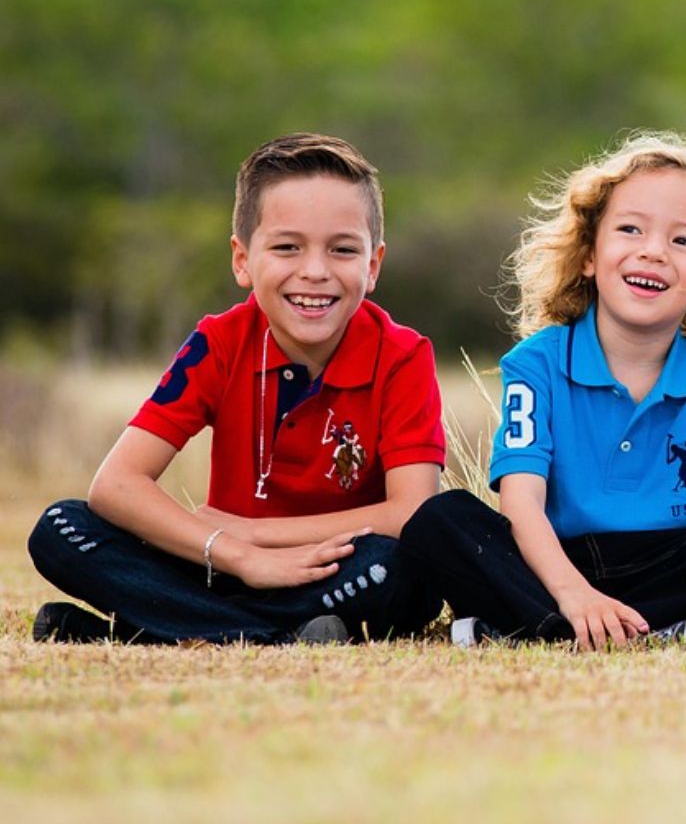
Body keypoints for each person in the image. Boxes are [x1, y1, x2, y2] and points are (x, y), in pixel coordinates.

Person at [400, 132, 686, 649]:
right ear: (589, 254)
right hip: (554, 562)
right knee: (440, 523)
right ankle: (579, 624)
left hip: (670, 565)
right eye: (630, 229)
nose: (653, 252)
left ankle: (546, 626)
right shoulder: (536, 365)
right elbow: (521, 505)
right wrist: (576, 594)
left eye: (683, 241)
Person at [29, 134, 446, 644]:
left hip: (335, 572)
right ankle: (268, 637)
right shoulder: (218, 343)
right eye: (287, 247)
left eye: (342, 250)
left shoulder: (402, 356)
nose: (315, 271)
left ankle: (163, 628)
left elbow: (411, 512)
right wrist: (238, 555)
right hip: (222, 568)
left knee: (398, 569)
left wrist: (258, 535)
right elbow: (116, 486)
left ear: (373, 265)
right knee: (61, 529)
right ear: (243, 260)